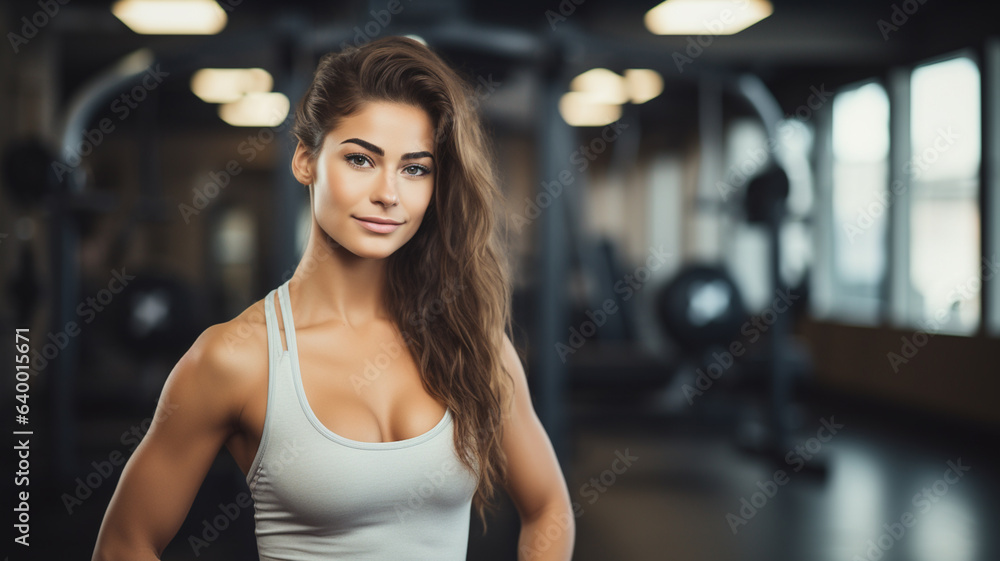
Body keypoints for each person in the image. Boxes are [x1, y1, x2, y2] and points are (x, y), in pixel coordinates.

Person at [91, 36, 574, 560]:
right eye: (361, 160)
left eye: (415, 168)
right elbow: (125, 543)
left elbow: (549, 506)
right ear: (306, 160)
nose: (389, 193)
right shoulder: (236, 358)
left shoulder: (472, 341)